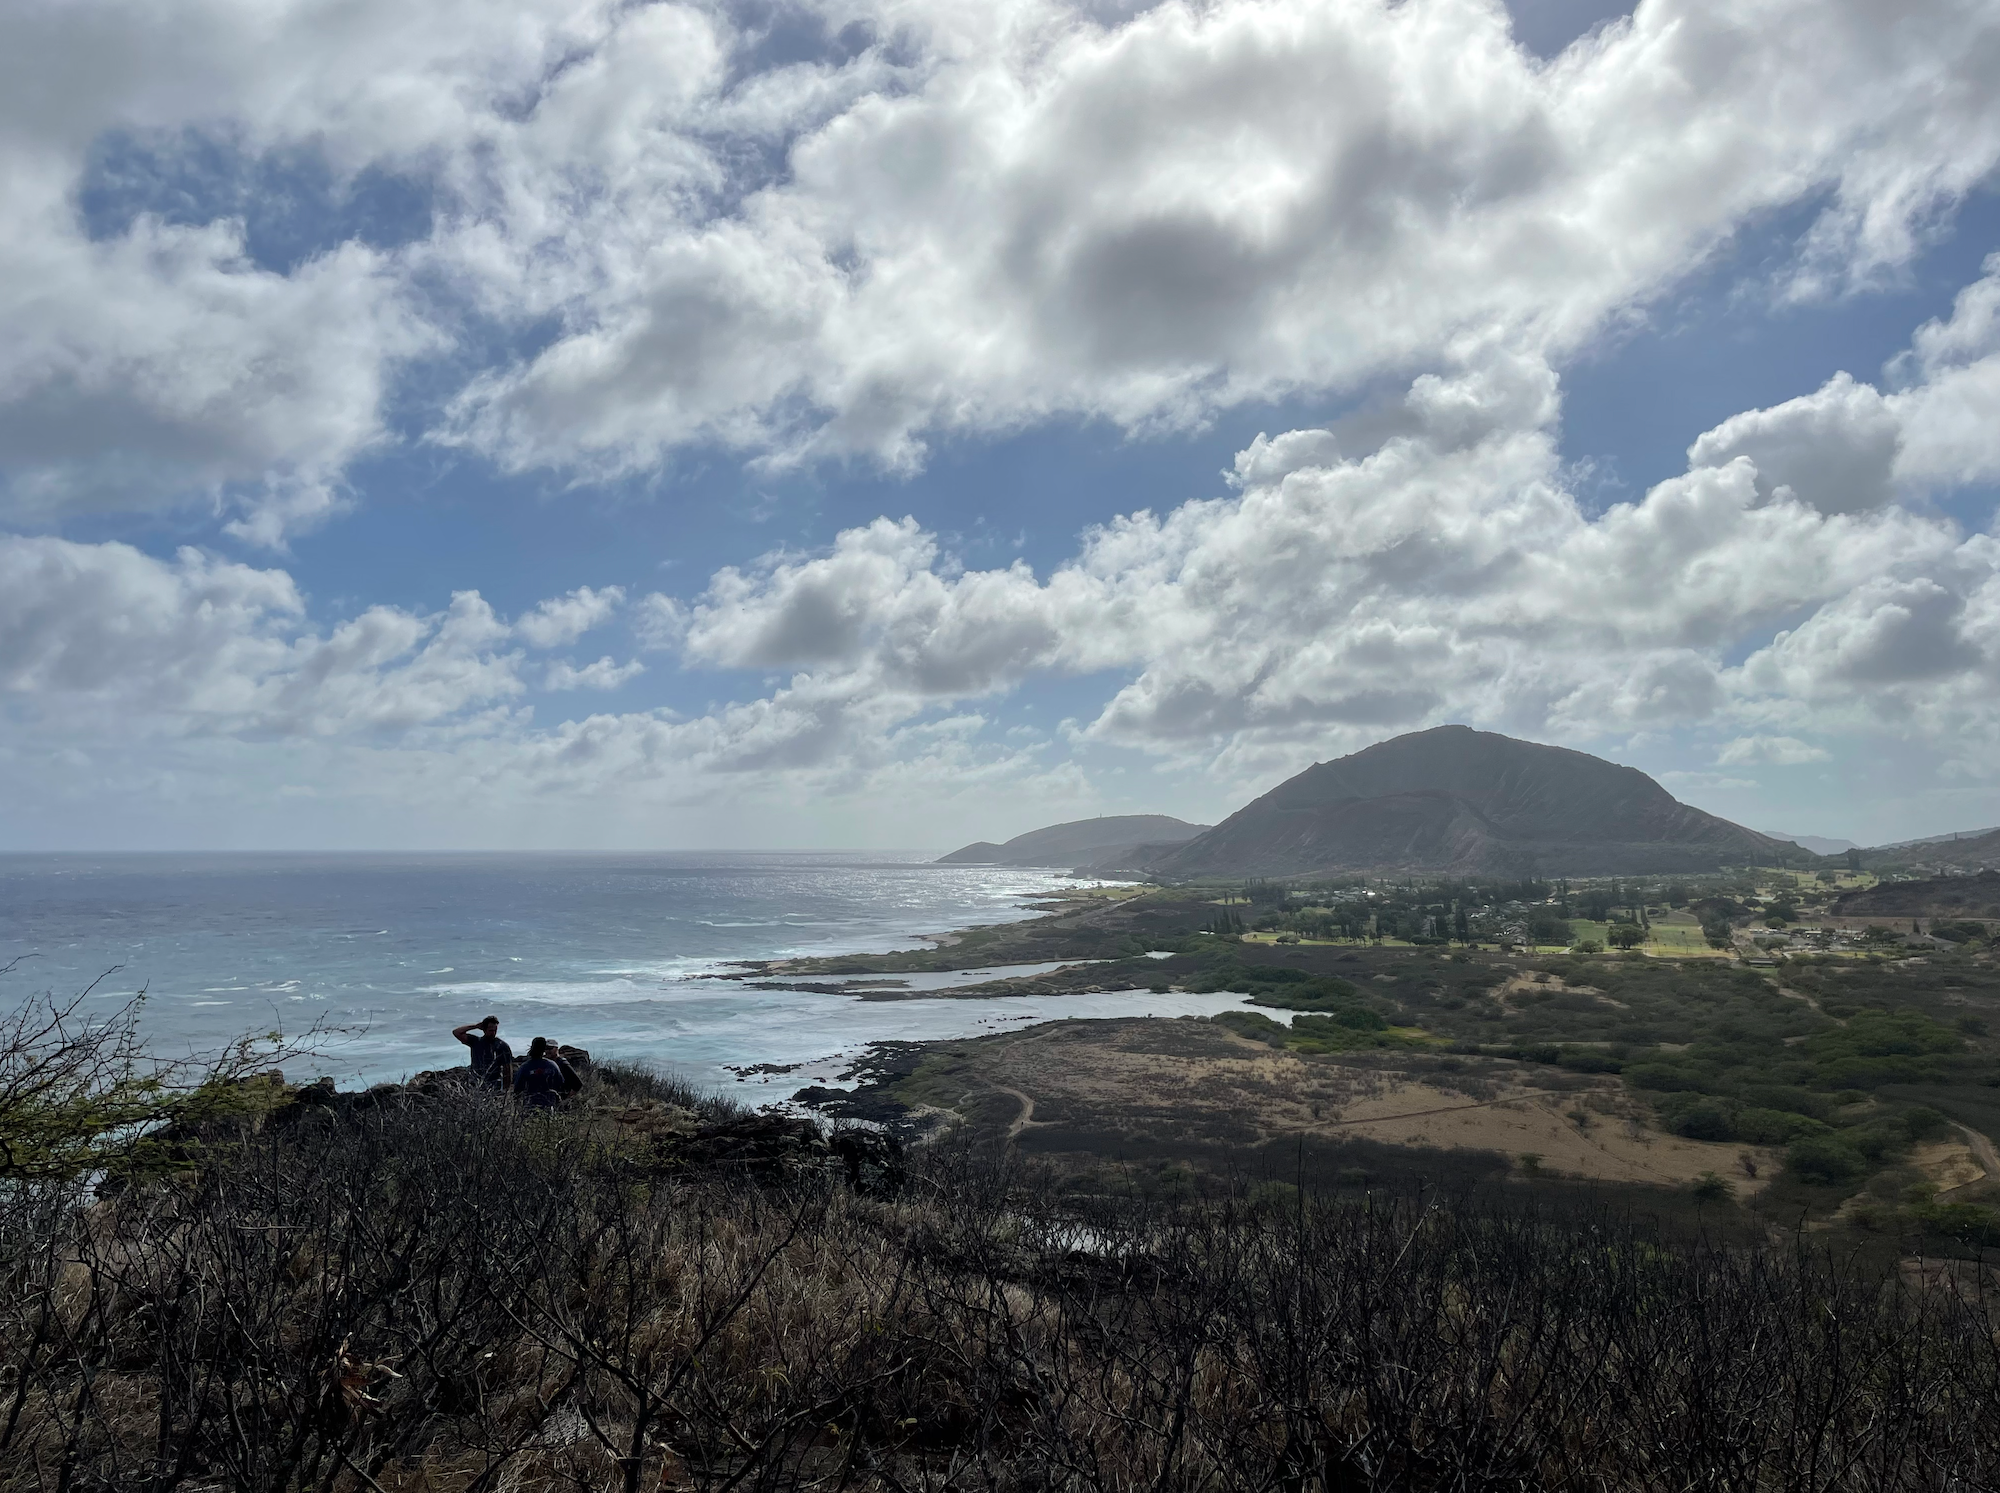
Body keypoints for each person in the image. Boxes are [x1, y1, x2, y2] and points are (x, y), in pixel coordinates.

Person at [451, 1015, 513, 1092]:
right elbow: (456, 1032)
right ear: (484, 1029)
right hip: (475, 1084)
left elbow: (507, 1070)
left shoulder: (502, 1046)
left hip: (494, 1086)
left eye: (495, 1030)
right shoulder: (476, 1042)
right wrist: (475, 1026)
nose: (493, 1033)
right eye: (490, 1030)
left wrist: (506, 1091)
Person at [511, 1036, 575, 1111]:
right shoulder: (552, 1065)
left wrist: (517, 1108)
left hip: (529, 1107)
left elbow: (517, 1090)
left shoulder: (524, 1067)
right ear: (543, 1050)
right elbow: (560, 1085)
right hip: (549, 1106)